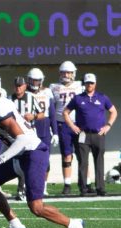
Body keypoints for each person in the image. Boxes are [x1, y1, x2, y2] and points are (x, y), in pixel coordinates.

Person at [0, 69, 85, 228]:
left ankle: (74, 225)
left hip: (32, 152)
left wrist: (1, 158)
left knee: (36, 207)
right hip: (20, 153)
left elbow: (22, 138)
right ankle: (15, 225)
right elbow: (8, 138)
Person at [63, 73, 117, 196]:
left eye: (91, 83)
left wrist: (108, 126)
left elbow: (113, 111)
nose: (89, 85)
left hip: (98, 134)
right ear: (84, 84)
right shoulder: (78, 98)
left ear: (95, 84)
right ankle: (83, 188)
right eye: (87, 83)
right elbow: (65, 112)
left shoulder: (102, 97)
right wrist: (72, 126)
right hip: (83, 134)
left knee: (99, 160)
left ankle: (100, 187)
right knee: (83, 162)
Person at [49, 61, 86, 194]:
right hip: (62, 124)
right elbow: (51, 109)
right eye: (64, 72)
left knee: (83, 155)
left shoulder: (80, 86)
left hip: (78, 124)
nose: (66, 74)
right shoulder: (53, 87)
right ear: (60, 73)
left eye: (69, 72)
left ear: (74, 73)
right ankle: (67, 184)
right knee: (66, 154)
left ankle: (84, 183)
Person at [9, 76, 44, 201]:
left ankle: (25, 189)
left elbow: (42, 114)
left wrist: (33, 116)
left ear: (25, 86)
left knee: (28, 162)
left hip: (29, 135)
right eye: (16, 86)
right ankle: (21, 189)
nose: (18, 88)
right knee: (18, 163)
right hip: (15, 135)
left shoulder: (31, 97)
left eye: (20, 85)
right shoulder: (9, 99)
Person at [26, 68, 58, 196]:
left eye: (37, 80)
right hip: (29, 128)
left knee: (45, 160)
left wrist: (55, 132)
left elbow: (52, 114)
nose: (35, 83)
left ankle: (43, 186)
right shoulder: (25, 94)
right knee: (28, 159)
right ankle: (27, 185)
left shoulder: (47, 92)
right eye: (33, 80)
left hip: (44, 129)